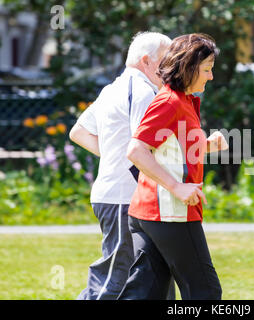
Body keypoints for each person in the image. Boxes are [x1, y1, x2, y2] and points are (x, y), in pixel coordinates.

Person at [69, 31, 175, 300]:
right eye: (166, 61)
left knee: (144, 273)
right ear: (146, 61)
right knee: (114, 277)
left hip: (119, 195)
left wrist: (114, 158)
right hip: (122, 198)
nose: (171, 68)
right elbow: (143, 147)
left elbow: (79, 132)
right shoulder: (141, 92)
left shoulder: (112, 88)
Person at [126, 33, 228, 300]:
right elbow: (136, 150)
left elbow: (170, 149)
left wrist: (206, 145)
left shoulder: (185, 100)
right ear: (188, 67)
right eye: (206, 70)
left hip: (151, 214)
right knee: (204, 291)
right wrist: (177, 187)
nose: (211, 76)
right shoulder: (169, 101)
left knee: (145, 293)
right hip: (171, 213)